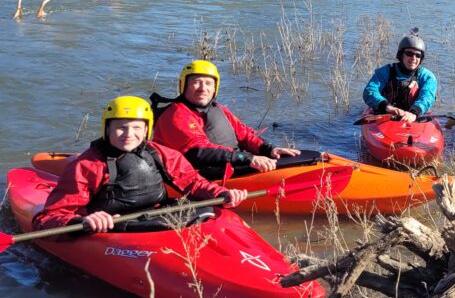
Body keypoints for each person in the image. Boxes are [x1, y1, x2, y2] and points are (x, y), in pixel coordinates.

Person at [34, 96, 247, 231]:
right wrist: (83, 221)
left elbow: (193, 183)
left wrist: (223, 194)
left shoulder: (159, 153)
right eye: (121, 127)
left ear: (146, 130)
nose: (129, 134)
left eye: (137, 128)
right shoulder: (87, 165)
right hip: (115, 226)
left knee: (207, 210)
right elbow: (48, 218)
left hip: (156, 218)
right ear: (107, 129)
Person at [151, 60, 300, 179]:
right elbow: (198, 152)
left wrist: (269, 149)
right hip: (197, 175)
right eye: (196, 82)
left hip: (228, 163)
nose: (203, 88)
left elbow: (244, 135)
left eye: (208, 83)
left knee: (299, 159)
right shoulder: (175, 114)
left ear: (215, 88)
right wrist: (246, 158)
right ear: (184, 86)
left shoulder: (218, 109)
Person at [362, 32, 438, 123]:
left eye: (418, 55)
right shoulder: (385, 72)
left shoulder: (427, 77)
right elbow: (369, 91)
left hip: (414, 116)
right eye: (409, 53)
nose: (414, 58)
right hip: (385, 112)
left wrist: (414, 113)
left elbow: (427, 97)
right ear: (401, 55)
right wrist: (386, 107)